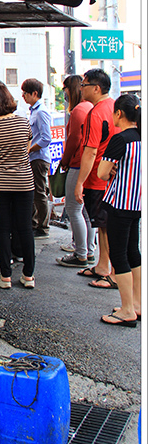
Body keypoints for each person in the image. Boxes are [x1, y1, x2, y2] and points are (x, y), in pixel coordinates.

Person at [97, 94, 141, 326]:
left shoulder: (120, 140)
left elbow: (101, 173)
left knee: (119, 255)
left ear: (119, 114)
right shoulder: (140, 137)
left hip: (119, 204)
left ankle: (126, 310)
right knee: (133, 251)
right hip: (137, 203)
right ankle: (137, 303)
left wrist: (112, 170)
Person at [74, 68, 120, 289]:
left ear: (96, 88)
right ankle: (103, 265)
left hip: (98, 179)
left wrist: (80, 182)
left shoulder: (97, 112)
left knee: (105, 226)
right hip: (111, 178)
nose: (81, 89)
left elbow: (91, 151)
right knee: (102, 225)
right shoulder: (114, 109)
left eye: (84, 85)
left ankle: (110, 270)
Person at [0, 80, 36, 290]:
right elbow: (26, 150)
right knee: (25, 228)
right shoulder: (23, 122)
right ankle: (28, 275)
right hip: (25, 182)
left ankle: (6, 276)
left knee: (3, 228)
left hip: (1, 183)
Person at [56, 75, 97, 267]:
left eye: (64, 89)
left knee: (73, 208)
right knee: (85, 211)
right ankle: (87, 250)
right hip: (88, 164)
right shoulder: (90, 108)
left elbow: (74, 139)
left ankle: (80, 253)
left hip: (77, 163)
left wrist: (64, 160)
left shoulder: (79, 109)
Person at [21, 78, 52, 238]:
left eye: (25, 93)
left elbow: (46, 138)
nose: (23, 96)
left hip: (39, 158)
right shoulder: (34, 111)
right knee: (34, 192)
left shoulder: (41, 112)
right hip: (34, 158)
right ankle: (35, 223)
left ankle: (42, 226)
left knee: (39, 192)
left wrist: (29, 150)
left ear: (34, 93)